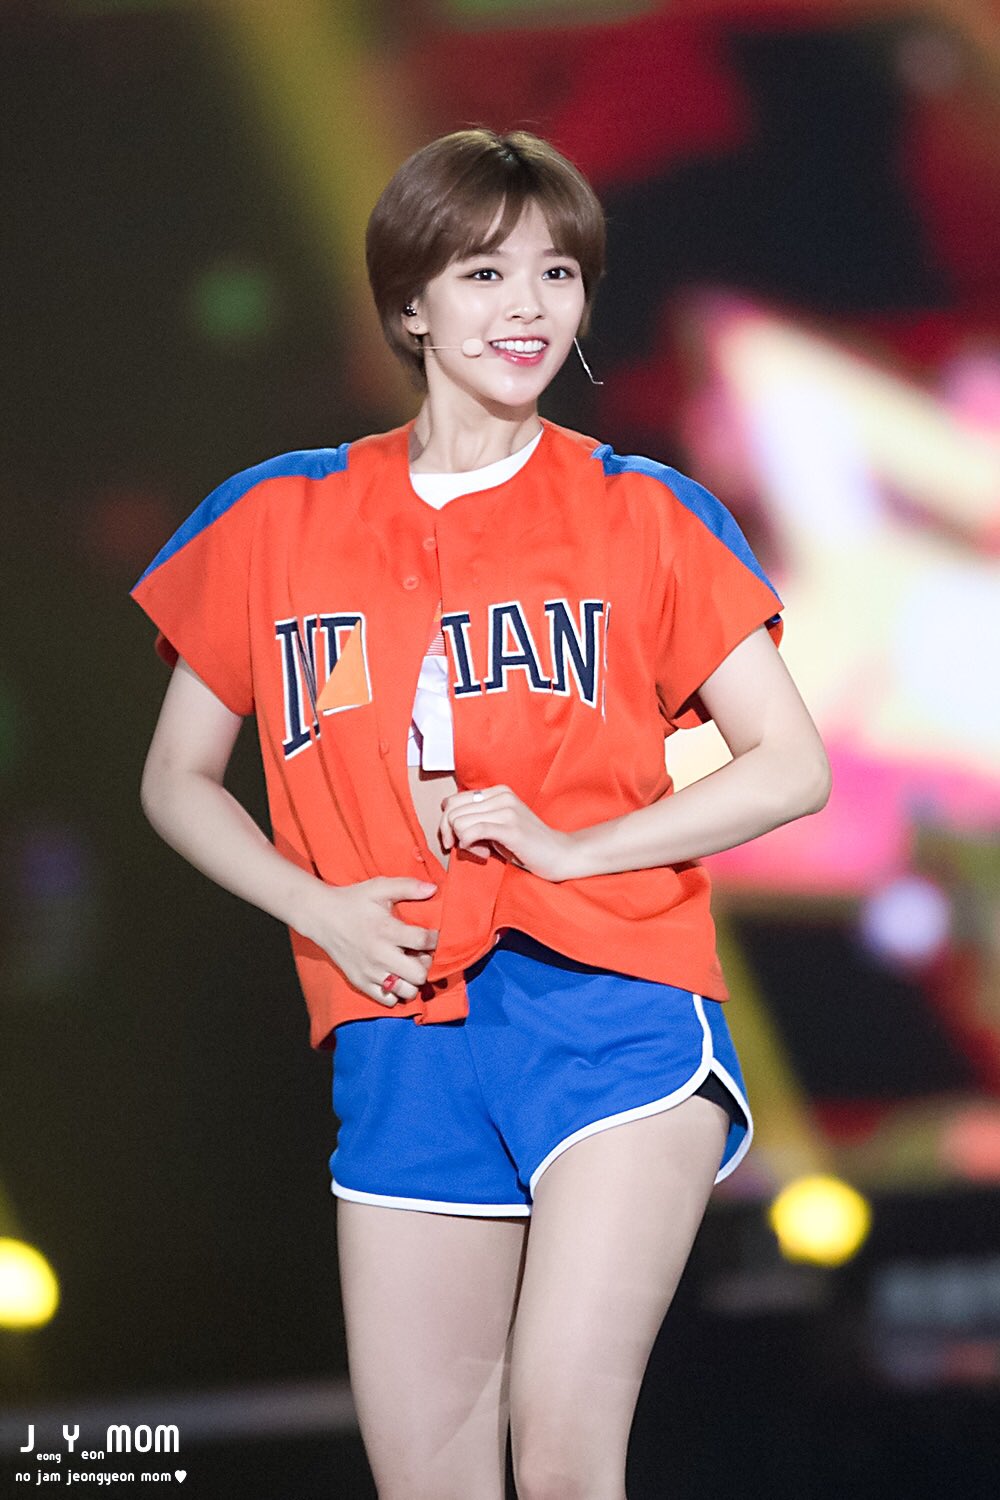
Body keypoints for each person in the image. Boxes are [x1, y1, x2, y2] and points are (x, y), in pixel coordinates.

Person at [132, 128, 831, 1500]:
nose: (530, 306)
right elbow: (175, 778)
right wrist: (320, 907)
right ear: (409, 302)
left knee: (562, 1447)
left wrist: (579, 848)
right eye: (485, 272)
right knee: (431, 1481)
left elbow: (788, 762)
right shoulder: (273, 520)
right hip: (396, 1029)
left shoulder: (645, 514)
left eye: (559, 273)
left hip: (613, 1007)